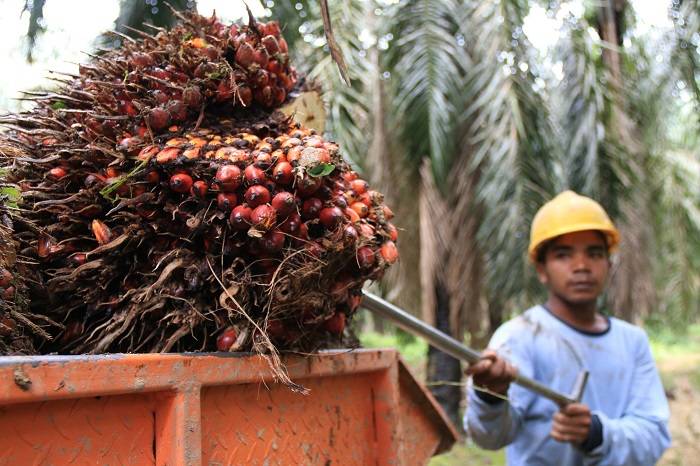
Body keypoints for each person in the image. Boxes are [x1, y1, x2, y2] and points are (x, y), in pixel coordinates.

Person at [464, 191, 671, 466]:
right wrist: (490, 397)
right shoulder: (519, 337)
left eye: (594, 254)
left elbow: (654, 435)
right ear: (541, 269)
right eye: (564, 255)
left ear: (609, 264)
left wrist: (597, 434)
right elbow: (489, 438)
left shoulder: (633, 342)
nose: (582, 266)